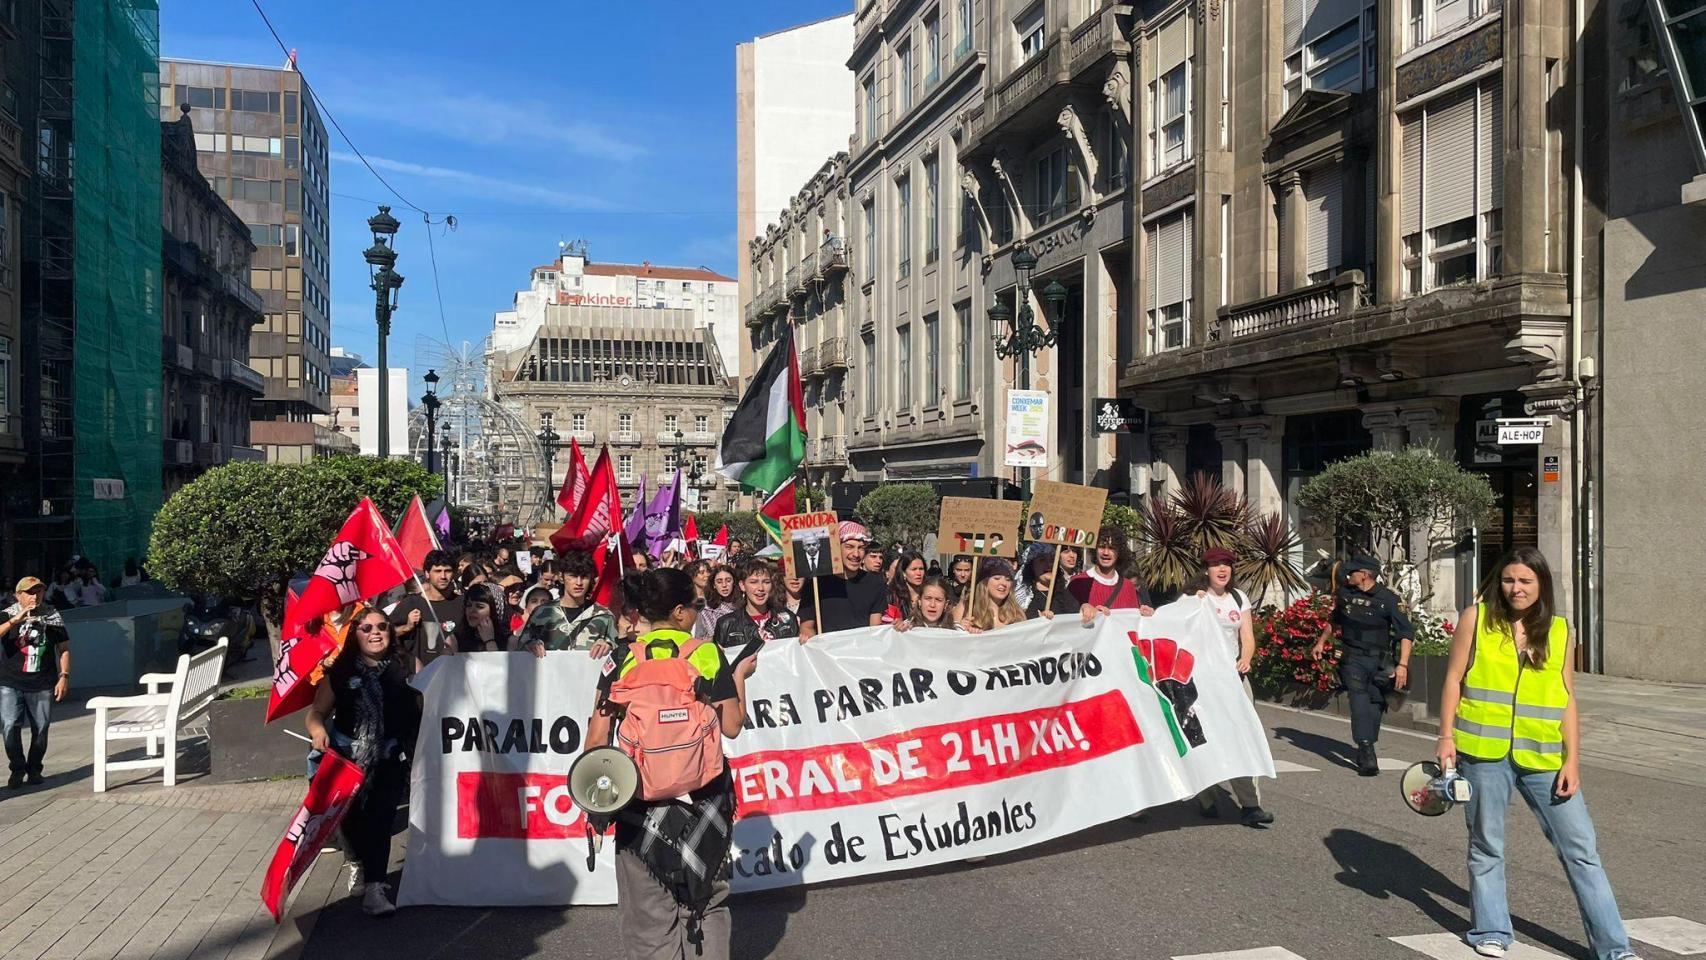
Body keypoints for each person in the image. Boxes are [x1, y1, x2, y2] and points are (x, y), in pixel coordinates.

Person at [1437, 549, 1640, 960]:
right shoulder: (1476, 619)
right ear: (1499, 582)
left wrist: (1573, 760)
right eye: (1510, 580)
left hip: (1544, 755)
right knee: (1486, 845)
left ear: (1541, 585)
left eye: (1526, 581)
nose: (1517, 588)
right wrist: (1445, 737)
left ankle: (1615, 951)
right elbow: (1454, 678)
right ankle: (1491, 930)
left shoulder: (1561, 630)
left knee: (1581, 850)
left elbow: (1566, 698)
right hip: (1483, 752)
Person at [585, 569, 757, 960]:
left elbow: (597, 739)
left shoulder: (621, 657)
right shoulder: (707, 653)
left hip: (637, 802)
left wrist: (596, 808)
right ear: (679, 612)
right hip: (703, 801)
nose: (698, 612)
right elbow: (731, 726)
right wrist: (741, 676)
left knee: (648, 917)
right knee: (706, 906)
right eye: (696, 606)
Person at [305, 608, 421, 916]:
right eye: (366, 627)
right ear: (354, 634)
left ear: (390, 631)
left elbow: (430, 696)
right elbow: (316, 713)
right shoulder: (341, 672)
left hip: (389, 755)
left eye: (382, 626)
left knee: (381, 819)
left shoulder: (405, 664)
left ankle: (375, 888)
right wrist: (318, 731)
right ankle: (355, 861)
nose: (375, 632)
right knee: (352, 819)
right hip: (348, 759)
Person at [1192, 547, 1274, 828]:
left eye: (1226, 564)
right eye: (1216, 565)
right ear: (1206, 570)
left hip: (1235, 678)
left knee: (1243, 736)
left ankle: (1251, 805)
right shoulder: (1196, 599)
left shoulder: (1239, 597)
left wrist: (1246, 659)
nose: (1222, 569)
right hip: (1204, 679)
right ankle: (1206, 796)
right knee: (1207, 738)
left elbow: (1247, 636)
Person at [1312, 555, 1414, 776]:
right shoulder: (1345, 594)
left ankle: (1367, 741)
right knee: (1358, 698)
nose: (1349, 575)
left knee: (1376, 702)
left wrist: (1402, 665)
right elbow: (1334, 619)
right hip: (1353, 658)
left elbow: (1406, 633)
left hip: (1380, 661)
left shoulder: (1389, 600)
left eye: (1353, 572)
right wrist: (1321, 642)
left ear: (1365, 575)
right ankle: (1366, 748)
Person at [1, 578, 70, 788]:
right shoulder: (8, 613)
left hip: (41, 682)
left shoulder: (51, 615)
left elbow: (63, 648)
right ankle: (17, 768)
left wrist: (64, 676)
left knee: (41, 727)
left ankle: (34, 769)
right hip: (10, 682)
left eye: (38, 591)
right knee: (10, 726)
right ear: (18, 595)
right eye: (29, 592)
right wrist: (17, 619)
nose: (35, 596)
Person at [520, 549, 618, 656]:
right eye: (573, 576)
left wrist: (608, 645)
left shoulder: (604, 616)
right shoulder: (541, 612)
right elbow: (519, 650)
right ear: (561, 577)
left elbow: (617, 654)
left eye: (584, 577)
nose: (579, 583)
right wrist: (529, 646)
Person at [796, 522, 887, 635]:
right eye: (849, 547)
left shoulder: (875, 583)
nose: (856, 554)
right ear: (836, 548)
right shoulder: (816, 584)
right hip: (827, 651)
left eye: (861, 548)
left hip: (863, 650)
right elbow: (807, 628)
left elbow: (875, 629)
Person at [390, 549, 464, 669]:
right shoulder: (411, 603)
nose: (443, 576)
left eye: (448, 571)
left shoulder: (462, 603)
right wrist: (407, 627)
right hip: (421, 677)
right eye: (438, 571)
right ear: (427, 574)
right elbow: (388, 634)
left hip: (454, 673)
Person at [713, 559, 807, 648]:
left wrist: (804, 643)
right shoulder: (726, 624)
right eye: (754, 582)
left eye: (766, 582)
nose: (761, 588)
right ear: (742, 585)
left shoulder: (788, 619)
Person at [1067, 527, 1154, 615]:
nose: (1106, 552)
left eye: (1112, 548)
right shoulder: (1077, 582)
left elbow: (1132, 624)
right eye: (1101, 547)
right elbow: (1066, 622)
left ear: (1119, 552)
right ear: (1094, 549)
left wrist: (1145, 616)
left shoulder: (1128, 586)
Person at [960, 558, 1028, 633]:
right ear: (985, 583)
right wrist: (963, 630)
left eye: (1008, 579)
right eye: (997, 578)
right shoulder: (970, 614)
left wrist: (1042, 623)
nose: (1003, 583)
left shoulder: (1017, 615)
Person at [1021, 546, 1081, 620]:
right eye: (1042, 560)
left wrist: (1086, 608)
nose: (1049, 564)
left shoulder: (1065, 594)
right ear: (1031, 566)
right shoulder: (1025, 600)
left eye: (1052, 559)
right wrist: (1038, 621)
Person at [694, 565, 739, 639]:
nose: (724, 585)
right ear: (714, 585)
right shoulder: (705, 610)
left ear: (734, 582)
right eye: (719, 581)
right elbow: (699, 637)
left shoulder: (744, 605)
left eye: (728, 581)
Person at [885, 550, 927, 623]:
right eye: (914, 569)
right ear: (904, 573)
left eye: (921, 569)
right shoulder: (892, 596)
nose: (918, 573)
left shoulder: (929, 593)